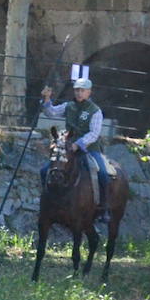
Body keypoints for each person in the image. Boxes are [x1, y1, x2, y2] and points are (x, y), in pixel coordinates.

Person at [38, 77, 112, 221]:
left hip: (89, 149)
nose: (79, 93)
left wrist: (78, 144)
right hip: (67, 148)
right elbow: (51, 112)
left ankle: (104, 208)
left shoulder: (95, 111)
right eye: (77, 90)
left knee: (103, 173)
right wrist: (47, 99)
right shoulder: (69, 106)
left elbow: (94, 133)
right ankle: (46, 199)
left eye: (82, 90)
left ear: (89, 92)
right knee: (45, 170)